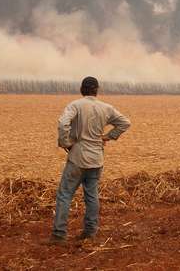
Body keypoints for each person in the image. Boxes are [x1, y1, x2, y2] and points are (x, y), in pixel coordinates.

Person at [49, 76, 131, 244]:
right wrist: (108, 136)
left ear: (82, 89)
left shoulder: (75, 105)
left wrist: (65, 143)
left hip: (78, 157)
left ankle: (59, 235)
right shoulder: (106, 108)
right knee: (91, 195)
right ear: (97, 90)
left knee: (65, 195)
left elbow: (63, 122)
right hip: (97, 158)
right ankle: (90, 232)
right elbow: (125, 122)